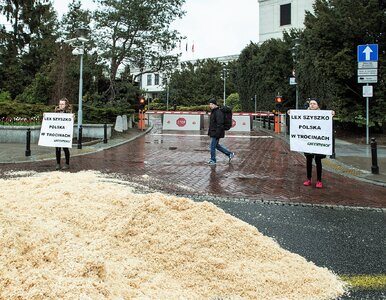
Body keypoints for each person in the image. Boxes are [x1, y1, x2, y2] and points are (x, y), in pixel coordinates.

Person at [302, 98, 334, 189]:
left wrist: (332, 114)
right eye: (311, 103)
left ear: (318, 105)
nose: (312, 105)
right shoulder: (304, 114)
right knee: (308, 160)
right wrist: (290, 112)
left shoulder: (323, 114)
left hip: (318, 142)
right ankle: (308, 179)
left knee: (318, 161)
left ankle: (319, 180)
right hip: (308, 142)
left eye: (314, 103)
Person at [207, 99, 234, 165]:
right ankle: (230, 154)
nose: (209, 106)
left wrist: (217, 133)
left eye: (210, 104)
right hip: (214, 132)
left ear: (214, 104)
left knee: (212, 146)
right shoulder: (214, 111)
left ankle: (213, 160)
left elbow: (220, 123)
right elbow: (213, 123)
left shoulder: (218, 112)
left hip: (217, 132)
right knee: (216, 146)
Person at [54, 98, 73, 170]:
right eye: (60, 104)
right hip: (58, 133)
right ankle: (58, 163)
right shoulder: (56, 112)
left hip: (65, 133)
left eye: (62, 104)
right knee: (57, 149)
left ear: (66, 105)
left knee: (65, 148)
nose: (60, 105)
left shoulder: (68, 113)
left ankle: (67, 163)